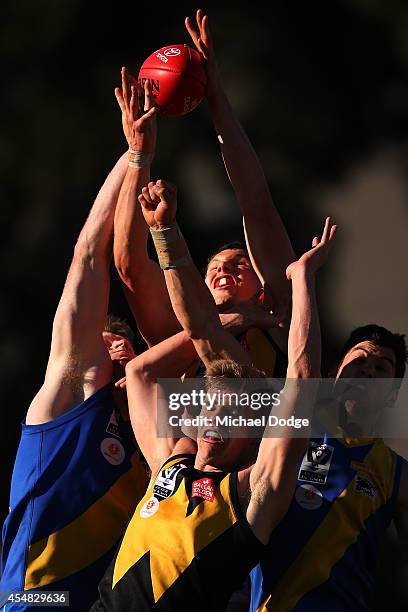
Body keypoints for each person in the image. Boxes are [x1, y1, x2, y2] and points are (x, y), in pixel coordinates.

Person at [90, 178, 336, 611]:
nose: (214, 419)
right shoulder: (171, 459)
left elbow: (303, 380)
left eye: (232, 413)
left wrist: (303, 281)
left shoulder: (254, 494)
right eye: (210, 408)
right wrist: (164, 231)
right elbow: (142, 373)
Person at [0, 79, 158, 611]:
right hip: (34, 599)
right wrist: (135, 154)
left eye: (125, 344)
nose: (115, 350)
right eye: (106, 340)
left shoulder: (155, 443)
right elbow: (90, 254)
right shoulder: (68, 392)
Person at [113, 9, 294, 379]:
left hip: (258, 435)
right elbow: (128, 262)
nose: (224, 268)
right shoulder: (174, 332)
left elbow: (256, 204)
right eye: (213, 268)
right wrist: (138, 154)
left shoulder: (278, 320)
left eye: (240, 265)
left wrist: (216, 96)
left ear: (263, 289)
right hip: (188, 440)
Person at [249, 324, 408, 611]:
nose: (368, 371)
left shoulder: (397, 472)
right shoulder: (292, 428)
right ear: (334, 374)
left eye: (382, 368)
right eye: (359, 360)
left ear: (392, 396)